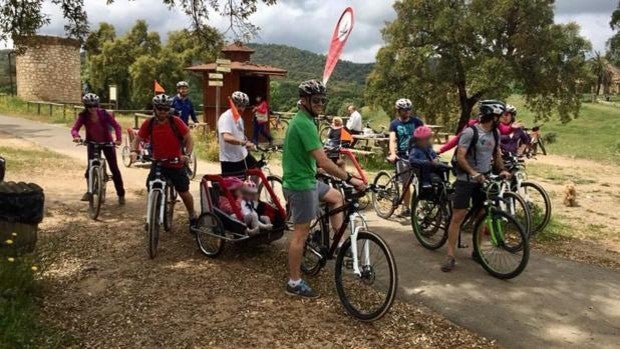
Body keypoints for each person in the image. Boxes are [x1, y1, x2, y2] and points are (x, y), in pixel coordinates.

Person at [282, 79, 365, 298]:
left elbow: (310, 156)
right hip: (300, 185)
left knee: (337, 197)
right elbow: (323, 161)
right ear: (304, 100)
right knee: (301, 233)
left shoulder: (307, 120)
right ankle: (294, 281)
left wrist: (320, 169)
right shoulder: (303, 123)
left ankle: (337, 244)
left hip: (307, 178)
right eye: (316, 100)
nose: (320, 104)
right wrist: (350, 178)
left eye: (322, 100)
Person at [442, 100, 511, 273]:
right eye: (498, 116)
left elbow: (496, 154)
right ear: (491, 115)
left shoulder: (494, 133)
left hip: (484, 180)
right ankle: (450, 255)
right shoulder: (470, 132)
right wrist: (473, 173)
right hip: (466, 179)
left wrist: (502, 169)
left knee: (482, 214)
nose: (501, 119)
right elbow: (460, 157)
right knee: (458, 215)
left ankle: (477, 251)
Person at [130, 94, 198, 228]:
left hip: (175, 162)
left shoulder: (175, 121)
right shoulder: (149, 123)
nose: (163, 111)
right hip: (158, 162)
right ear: (155, 109)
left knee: (183, 192)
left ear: (169, 109)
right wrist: (133, 151)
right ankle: (152, 214)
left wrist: (187, 155)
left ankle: (192, 215)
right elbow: (137, 139)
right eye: (160, 108)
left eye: (166, 109)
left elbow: (189, 139)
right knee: (151, 186)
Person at [71, 93, 126, 205]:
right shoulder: (83, 116)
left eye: (94, 106)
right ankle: (89, 190)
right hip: (92, 143)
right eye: (89, 106)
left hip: (107, 143)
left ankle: (121, 194)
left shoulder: (104, 114)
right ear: (86, 107)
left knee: (114, 169)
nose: (92, 109)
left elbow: (117, 126)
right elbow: (75, 129)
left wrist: (118, 139)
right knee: (89, 168)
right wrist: (76, 136)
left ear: (98, 105)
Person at [388, 98, 424, 217]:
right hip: (402, 156)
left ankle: (420, 207)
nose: (407, 112)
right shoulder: (394, 124)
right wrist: (393, 154)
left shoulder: (417, 122)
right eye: (404, 110)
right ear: (399, 110)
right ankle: (406, 208)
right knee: (406, 184)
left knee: (420, 182)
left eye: (409, 109)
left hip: (417, 155)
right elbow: (392, 140)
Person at [217, 91, 259, 175]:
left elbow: (239, 134)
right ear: (233, 104)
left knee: (257, 171)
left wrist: (247, 143)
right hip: (230, 159)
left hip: (242, 155)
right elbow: (226, 137)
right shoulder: (226, 117)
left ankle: (256, 188)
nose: (241, 108)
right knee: (236, 186)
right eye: (239, 105)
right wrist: (243, 142)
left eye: (243, 106)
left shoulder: (239, 118)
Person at [408, 126, 442, 192]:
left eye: (428, 139)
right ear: (418, 140)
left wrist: (436, 159)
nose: (427, 141)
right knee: (426, 164)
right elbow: (411, 160)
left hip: (431, 166)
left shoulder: (429, 149)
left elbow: (434, 155)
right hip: (421, 167)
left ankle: (442, 186)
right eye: (425, 139)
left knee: (443, 166)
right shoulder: (415, 150)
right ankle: (425, 182)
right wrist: (424, 162)